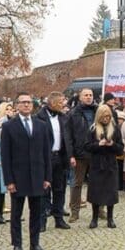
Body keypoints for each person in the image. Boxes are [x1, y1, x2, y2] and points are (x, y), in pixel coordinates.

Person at [1, 93, 52, 250]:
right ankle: (17, 244)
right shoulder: (9, 126)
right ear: (16, 105)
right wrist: (9, 180)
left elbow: (46, 153)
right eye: (23, 102)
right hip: (18, 176)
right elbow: (5, 156)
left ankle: (34, 243)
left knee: (36, 212)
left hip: (37, 175)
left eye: (29, 102)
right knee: (16, 212)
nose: (26, 105)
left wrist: (47, 177)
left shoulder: (41, 125)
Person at [37, 92, 74, 230]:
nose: (63, 105)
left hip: (60, 157)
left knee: (60, 189)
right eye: (60, 103)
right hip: (45, 157)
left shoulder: (64, 118)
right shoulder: (39, 117)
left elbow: (68, 139)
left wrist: (70, 155)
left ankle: (59, 218)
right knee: (44, 190)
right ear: (52, 103)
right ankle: (42, 220)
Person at [68, 88, 98, 222]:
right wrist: (71, 155)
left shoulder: (99, 111)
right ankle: (74, 211)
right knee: (76, 184)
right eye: (86, 95)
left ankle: (99, 209)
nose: (88, 97)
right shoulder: (73, 113)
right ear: (80, 97)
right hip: (79, 154)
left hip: (96, 152)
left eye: (90, 95)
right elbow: (68, 136)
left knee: (97, 183)